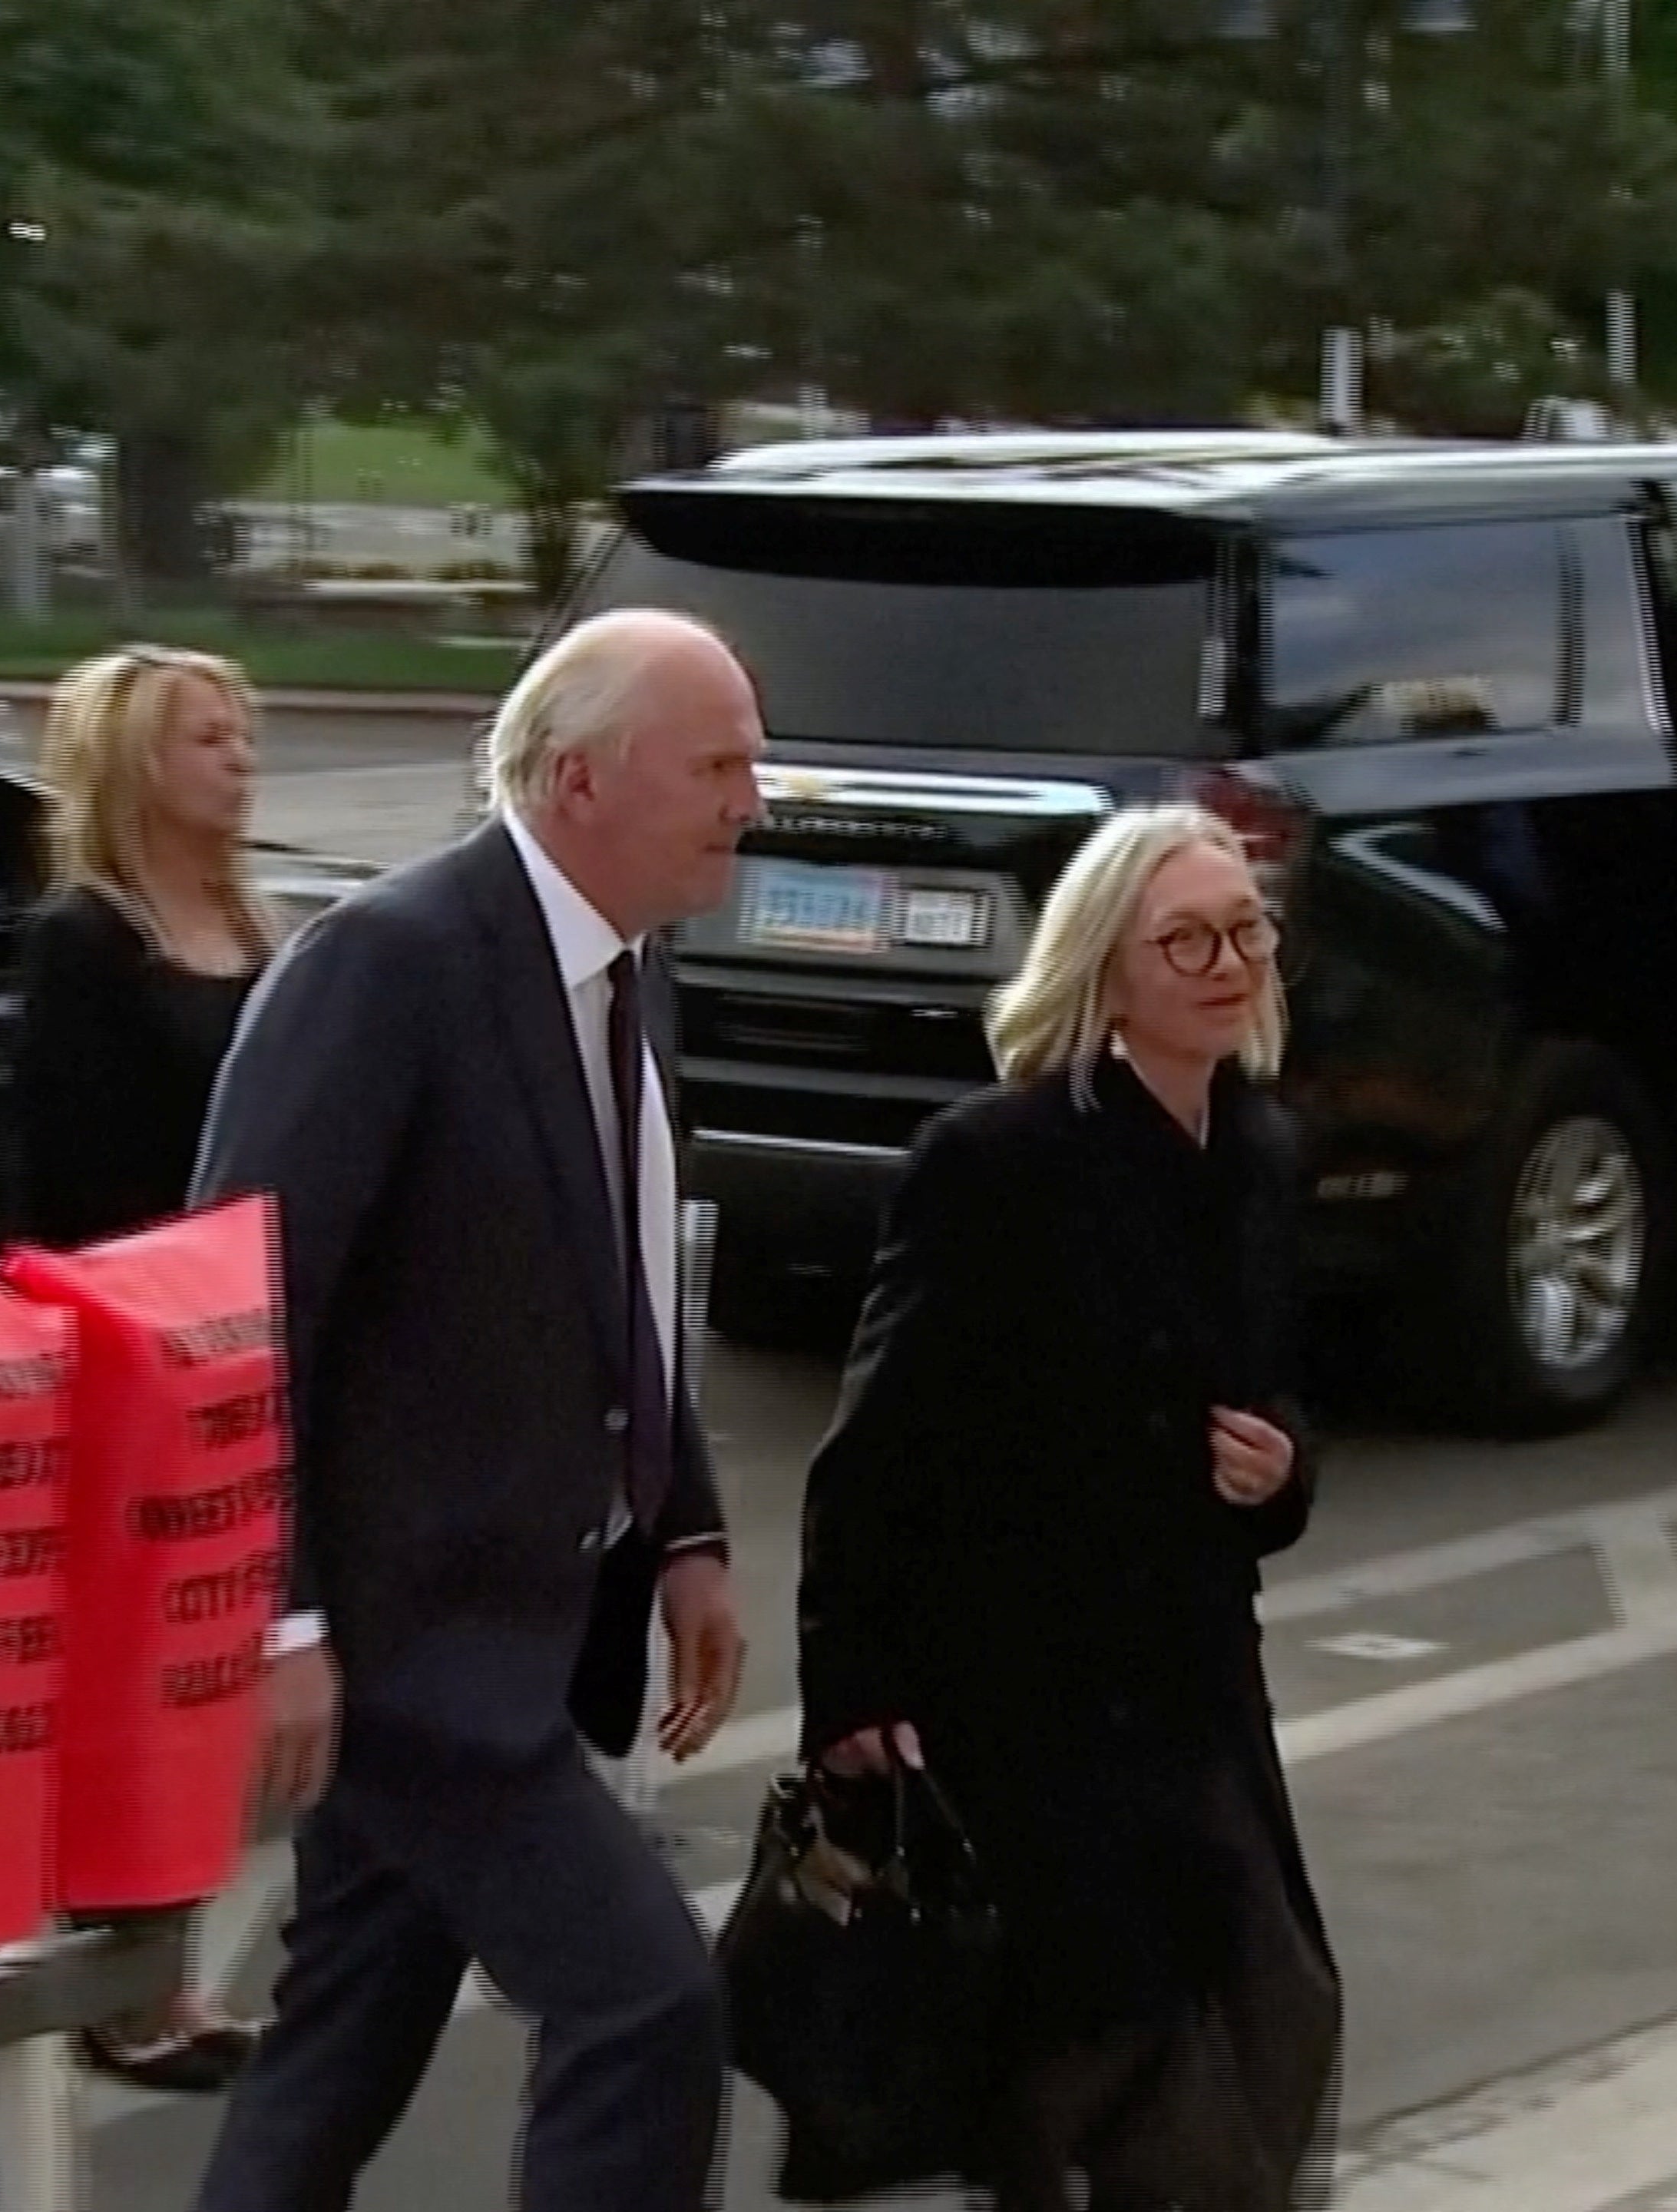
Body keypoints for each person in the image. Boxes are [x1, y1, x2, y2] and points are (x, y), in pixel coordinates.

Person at [186, 608, 760, 2212]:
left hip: (524, 1616)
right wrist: (277, 1624)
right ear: (579, 779)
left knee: (341, 2043)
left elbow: (619, 1281)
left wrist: (687, 1525)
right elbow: (239, 1310)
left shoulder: (627, 976)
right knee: (645, 2001)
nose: (752, 801)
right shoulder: (390, 964)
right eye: (716, 765)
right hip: (411, 1642)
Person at [797, 805, 1339, 2212]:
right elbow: (878, 1443)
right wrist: (850, 1679)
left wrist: (1281, 1468)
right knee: (1104, 2057)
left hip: (1200, 1676)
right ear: (1109, 969)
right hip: (1030, 1693)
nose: (1228, 963)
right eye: (1188, 939)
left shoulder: (1264, 1150)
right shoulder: (997, 1162)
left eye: (1247, 929)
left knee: (1276, 2004)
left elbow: (1280, 1390)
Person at [8, 644, 278, 2093]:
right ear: (133, 765)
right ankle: (128, 1981)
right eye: (205, 739)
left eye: (243, 735)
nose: (238, 759)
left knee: (217, 1675)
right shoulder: (86, 939)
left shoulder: (253, 915)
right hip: (133, 1345)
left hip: (249, 1336)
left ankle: (166, 1970)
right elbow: (67, 1179)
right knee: (135, 1676)